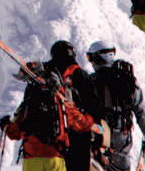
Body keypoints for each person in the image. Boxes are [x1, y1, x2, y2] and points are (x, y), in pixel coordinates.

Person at [0, 60, 96, 171]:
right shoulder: (62, 104)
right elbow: (82, 124)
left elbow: (14, 133)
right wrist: (91, 118)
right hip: (55, 159)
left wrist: (5, 124)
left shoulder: (28, 105)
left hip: (32, 161)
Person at [87, 41, 145, 171]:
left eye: (90, 58)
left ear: (97, 57)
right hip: (122, 134)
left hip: (97, 133)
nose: (91, 62)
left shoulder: (90, 81)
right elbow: (141, 111)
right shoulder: (128, 80)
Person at [43, 40, 103, 171]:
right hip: (80, 137)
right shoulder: (80, 75)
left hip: (57, 138)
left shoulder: (48, 75)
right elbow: (95, 107)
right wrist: (99, 136)